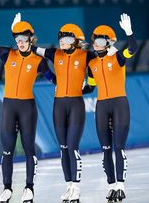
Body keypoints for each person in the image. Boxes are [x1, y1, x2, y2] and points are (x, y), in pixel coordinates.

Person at [12, 14, 116, 203]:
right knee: (63, 148)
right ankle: (68, 186)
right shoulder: (54, 53)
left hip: (75, 105)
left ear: (76, 41)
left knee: (72, 148)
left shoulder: (87, 55)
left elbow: (97, 74)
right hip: (58, 105)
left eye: (68, 39)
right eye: (61, 38)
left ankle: (76, 187)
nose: (63, 42)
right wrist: (17, 32)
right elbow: (31, 48)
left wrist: (79, 89)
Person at [0, 9, 56, 203]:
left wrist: (76, 86)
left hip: (27, 109)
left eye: (23, 39)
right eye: (17, 39)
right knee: (7, 150)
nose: (20, 42)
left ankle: (29, 188)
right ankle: (7, 188)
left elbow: (53, 80)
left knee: (29, 149)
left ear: (31, 39)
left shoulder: (39, 62)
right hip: (9, 107)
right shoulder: (7, 54)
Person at [83, 13, 138, 203]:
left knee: (118, 147)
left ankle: (121, 185)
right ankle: (111, 185)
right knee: (105, 149)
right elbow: (89, 87)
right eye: (94, 40)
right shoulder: (91, 64)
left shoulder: (118, 58)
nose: (95, 44)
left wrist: (129, 32)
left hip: (119, 104)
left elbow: (133, 48)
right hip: (102, 107)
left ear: (108, 42)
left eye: (99, 40)